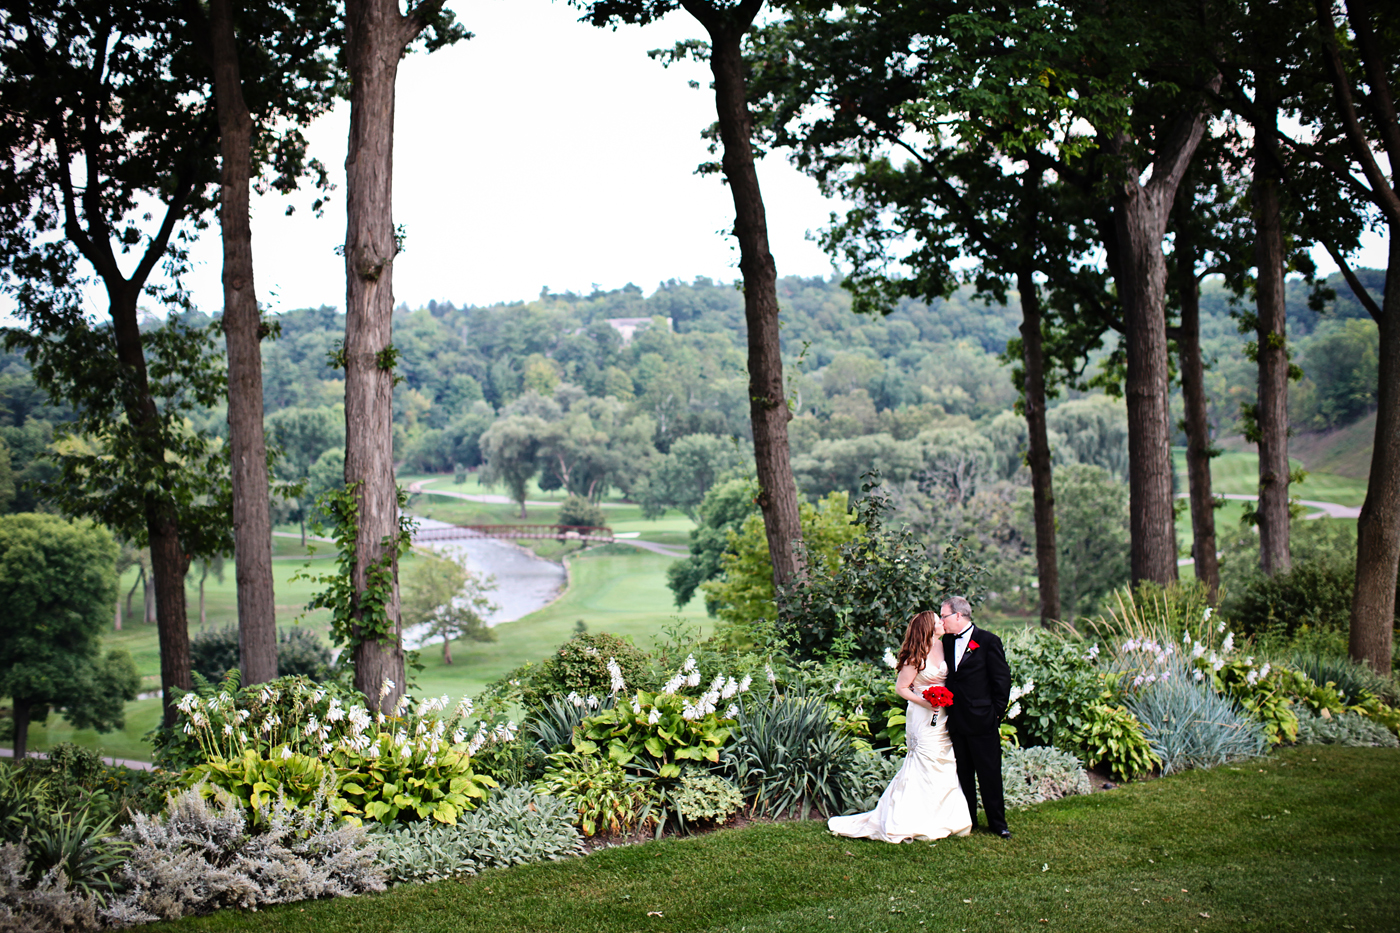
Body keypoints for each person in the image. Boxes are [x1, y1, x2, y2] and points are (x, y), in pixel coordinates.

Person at [827, 610, 972, 842]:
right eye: (938, 621)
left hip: (943, 713)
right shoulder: (915, 656)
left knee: (945, 760)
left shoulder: (944, 646)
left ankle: (944, 818)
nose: (942, 623)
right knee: (924, 760)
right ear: (928, 628)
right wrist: (925, 701)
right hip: (922, 715)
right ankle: (906, 820)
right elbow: (902, 689)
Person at [940, 595, 1013, 838]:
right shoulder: (947, 642)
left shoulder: (988, 641)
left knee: (989, 772)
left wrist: (994, 714)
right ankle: (967, 819)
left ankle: (997, 823)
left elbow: (1002, 681)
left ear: (958, 615)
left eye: (944, 616)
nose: (942, 621)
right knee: (963, 774)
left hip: (983, 720)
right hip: (957, 719)